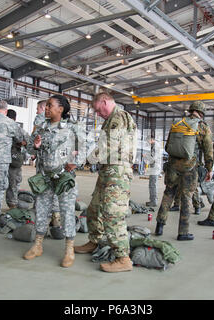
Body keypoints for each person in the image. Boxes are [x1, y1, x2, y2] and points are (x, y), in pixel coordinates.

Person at [74, 92, 137, 273]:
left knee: (112, 214)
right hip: (108, 170)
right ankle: (95, 241)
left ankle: (123, 257)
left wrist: (84, 160)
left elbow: (106, 146)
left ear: (105, 101)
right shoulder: (110, 120)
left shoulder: (119, 117)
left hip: (118, 172)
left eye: (97, 109)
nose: (97, 113)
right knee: (95, 208)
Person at [23, 95, 85, 268]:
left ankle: (69, 249)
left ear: (61, 109)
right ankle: (37, 246)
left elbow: (87, 146)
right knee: (41, 210)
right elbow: (29, 148)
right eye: (47, 106)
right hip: (44, 177)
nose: (47, 108)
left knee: (66, 212)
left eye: (50, 105)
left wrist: (76, 162)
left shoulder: (72, 128)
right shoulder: (41, 127)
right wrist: (34, 146)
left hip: (63, 178)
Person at [154, 101, 213, 240]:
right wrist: (209, 169)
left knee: (168, 193)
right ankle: (183, 232)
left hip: (172, 165)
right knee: (187, 197)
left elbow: (168, 144)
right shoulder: (202, 127)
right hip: (189, 166)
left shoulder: (177, 123)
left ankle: (159, 226)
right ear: (201, 113)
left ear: (191, 110)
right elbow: (208, 150)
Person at [6, 109, 31, 209]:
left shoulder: (1, 126)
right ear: (15, 118)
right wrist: (20, 144)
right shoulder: (18, 129)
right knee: (14, 184)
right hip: (14, 160)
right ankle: (12, 205)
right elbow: (29, 141)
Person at [145, 137, 162, 207]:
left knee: (152, 185)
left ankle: (153, 201)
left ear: (152, 139)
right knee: (153, 184)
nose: (147, 142)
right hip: (154, 168)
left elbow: (153, 158)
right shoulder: (155, 146)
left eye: (148, 140)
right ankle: (153, 200)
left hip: (155, 168)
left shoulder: (155, 146)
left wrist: (146, 156)